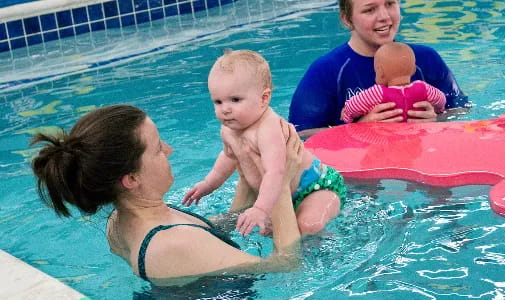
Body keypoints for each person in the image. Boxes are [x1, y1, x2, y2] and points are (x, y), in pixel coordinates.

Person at [30, 104, 303, 286]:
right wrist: (279, 181)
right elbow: (287, 264)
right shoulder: (171, 244)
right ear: (131, 179)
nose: (170, 150)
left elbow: (210, 239)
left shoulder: (121, 219)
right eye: (158, 149)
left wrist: (248, 166)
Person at [182, 50, 347, 236]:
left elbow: (275, 172)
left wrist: (260, 209)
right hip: (281, 193)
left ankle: (324, 247)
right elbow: (228, 157)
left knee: (309, 226)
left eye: (235, 100)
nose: (225, 109)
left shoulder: (268, 129)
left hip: (315, 187)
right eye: (218, 102)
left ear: (264, 98)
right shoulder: (228, 129)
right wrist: (208, 184)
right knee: (256, 227)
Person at [289, 0, 469, 138]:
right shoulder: (325, 71)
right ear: (347, 19)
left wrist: (437, 120)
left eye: (390, 3)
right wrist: (358, 130)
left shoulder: (426, 59)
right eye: (369, 9)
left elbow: (462, 109)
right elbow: (300, 135)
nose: (384, 16)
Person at [341, 41, 446, 123]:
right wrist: (438, 110)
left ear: (380, 72)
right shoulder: (423, 88)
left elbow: (354, 106)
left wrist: (346, 115)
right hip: (415, 140)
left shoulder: (377, 92)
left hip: (388, 140)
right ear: (414, 69)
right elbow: (441, 99)